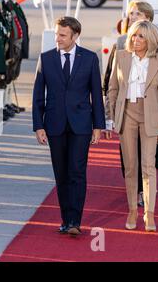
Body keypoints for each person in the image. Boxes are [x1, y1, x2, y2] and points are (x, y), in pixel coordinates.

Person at [32, 16, 105, 236]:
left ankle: (75, 221)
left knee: (77, 172)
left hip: (81, 125)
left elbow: (96, 95)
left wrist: (98, 126)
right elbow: (38, 96)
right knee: (61, 174)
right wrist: (38, 126)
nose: (58, 39)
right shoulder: (46, 58)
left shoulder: (90, 59)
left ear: (75, 36)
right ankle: (66, 219)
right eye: (57, 34)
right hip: (54, 125)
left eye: (63, 35)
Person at [103, 0, 158, 208]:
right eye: (131, 13)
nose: (132, 17)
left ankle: (146, 191)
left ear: (148, 19)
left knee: (148, 156)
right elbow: (111, 80)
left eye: (138, 14)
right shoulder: (122, 41)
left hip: (150, 109)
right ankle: (137, 193)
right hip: (128, 110)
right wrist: (109, 112)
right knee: (129, 157)